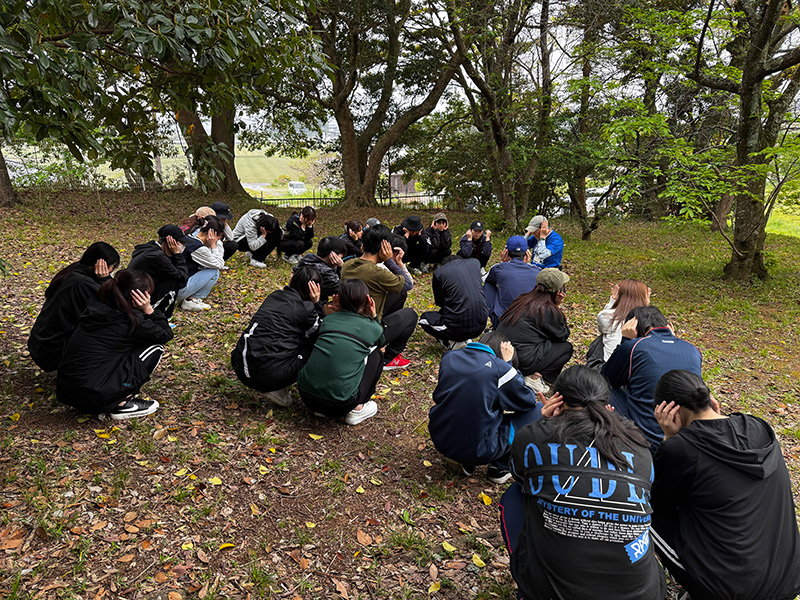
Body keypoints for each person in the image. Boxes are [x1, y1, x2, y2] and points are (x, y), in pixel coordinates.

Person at [501, 365, 665, 600]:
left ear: (557, 399)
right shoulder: (639, 445)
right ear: (607, 404)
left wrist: (542, 424)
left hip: (555, 592)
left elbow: (520, 475)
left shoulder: (533, 437)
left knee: (515, 495)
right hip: (643, 592)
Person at [651, 370, 800, 600]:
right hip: (787, 580)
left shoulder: (681, 449)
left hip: (729, 592)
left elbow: (659, 500)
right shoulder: (759, 427)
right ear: (710, 400)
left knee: (644, 511)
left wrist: (669, 439)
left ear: (671, 412)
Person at [57, 269, 173, 420]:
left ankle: (110, 393)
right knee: (155, 348)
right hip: (94, 396)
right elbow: (165, 334)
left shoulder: (96, 305)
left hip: (67, 391)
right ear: (138, 297)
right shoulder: (130, 321)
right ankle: (122, 403)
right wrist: (149, 309)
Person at [429, 331, 541, 484]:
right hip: (478, 450)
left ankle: (463, 460)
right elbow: (528, 401)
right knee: (539, 410)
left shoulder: (449, 357)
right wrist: (508, 364)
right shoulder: (501, 369)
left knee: (469, 407)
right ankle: (500, 468)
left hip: (440, 437)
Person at [601, 305, 702, 453]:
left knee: (604, 385)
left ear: (634, 326)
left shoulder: (634, 347)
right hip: (688, 438)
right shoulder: (693, 349)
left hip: (646, 441)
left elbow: (607, 377)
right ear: (669, 326)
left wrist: (625, 340)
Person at [231, 267, 323, 407]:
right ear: (314, 289)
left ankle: (269, 375)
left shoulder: (274, 296)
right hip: (269, 377)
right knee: (313, 345)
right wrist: (316, 304)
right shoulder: (307, 309)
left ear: (292, 280)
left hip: (239, 365)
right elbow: (320, 333)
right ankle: (275, 388)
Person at [297, 279, 385, 425]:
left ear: (338, 299)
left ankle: (321, 407)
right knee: (376, 354)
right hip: (341, 404)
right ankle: (358, 408)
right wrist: (373, 316)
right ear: (367, 301)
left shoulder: (329, 320)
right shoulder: (372, 327)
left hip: (306, 396)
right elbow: (381, 341)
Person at [28, 242, 120, 373]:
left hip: (41, 344)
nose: (111, 271)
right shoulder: (83, 283)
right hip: (53, 353)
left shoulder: (72, 271)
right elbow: (114, 306)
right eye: (113, 267)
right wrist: (104, 280)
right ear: (101, 264)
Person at [341, 224, 417, 370]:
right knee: (411, 315)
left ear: (363, 245)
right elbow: (408, 284)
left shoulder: (347, 265)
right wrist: (391, 261)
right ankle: (388, 358)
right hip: (367, 330)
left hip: (348, 322)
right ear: (384, 248)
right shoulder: (378, 273)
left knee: (399, 295)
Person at [495, 268, 573, 394]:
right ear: (558, 292)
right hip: (521, 360)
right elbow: (562, 335)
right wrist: (557, 306)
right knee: (566, 348)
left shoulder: (523, 299)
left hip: (502, 353)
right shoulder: (547, 309)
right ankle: (534, 378)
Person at [419, 255, 488, 349]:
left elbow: (440, 302)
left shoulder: (439, 272)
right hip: (481, 325)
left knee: (424, 319)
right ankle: (466, 338)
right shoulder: (475, 263)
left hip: (457, 327)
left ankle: (452, 342)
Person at [127, 225, 190, 319]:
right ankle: (161, 317)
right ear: (171, 242)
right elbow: (183, 277)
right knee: (173, 282)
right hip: (137, 300)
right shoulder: (157, 256)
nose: (183, 246)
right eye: (181, 242)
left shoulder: (152, 249)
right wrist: (177, 254)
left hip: (135, 294)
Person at [484, 236, 541, 328]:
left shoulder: (498, 269)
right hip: (530, 323)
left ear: (506, 252)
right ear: (527, 253)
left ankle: (495, 321)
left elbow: (486, 279)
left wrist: (503, 263)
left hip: (503, 323)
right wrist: (528, 264)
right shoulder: (537, 271)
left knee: (488, 285)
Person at [594, 279, 651, 363]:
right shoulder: (650, 321)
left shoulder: (607, 316)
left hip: (609, 366)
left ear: (619, 295)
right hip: (639, 367)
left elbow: (602, 326)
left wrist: (612, 302)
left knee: (601, 338)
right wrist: (646, 305)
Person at [176, 215, 225, 311]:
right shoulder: (197, 248)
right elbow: (219, 264)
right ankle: (192, 300)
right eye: (218, 239)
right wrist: (214, 246)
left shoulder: (189, 238)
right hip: (178, 290)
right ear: (211, 235)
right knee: (214, 272)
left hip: (174, 286)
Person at [294, 236, 346, 304]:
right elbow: (344, 290)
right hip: (313, 305)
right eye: (340, 257)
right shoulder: (326, 272)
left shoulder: (308, 258)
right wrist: (342, 267)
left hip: (295, 299)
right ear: (333, 255)